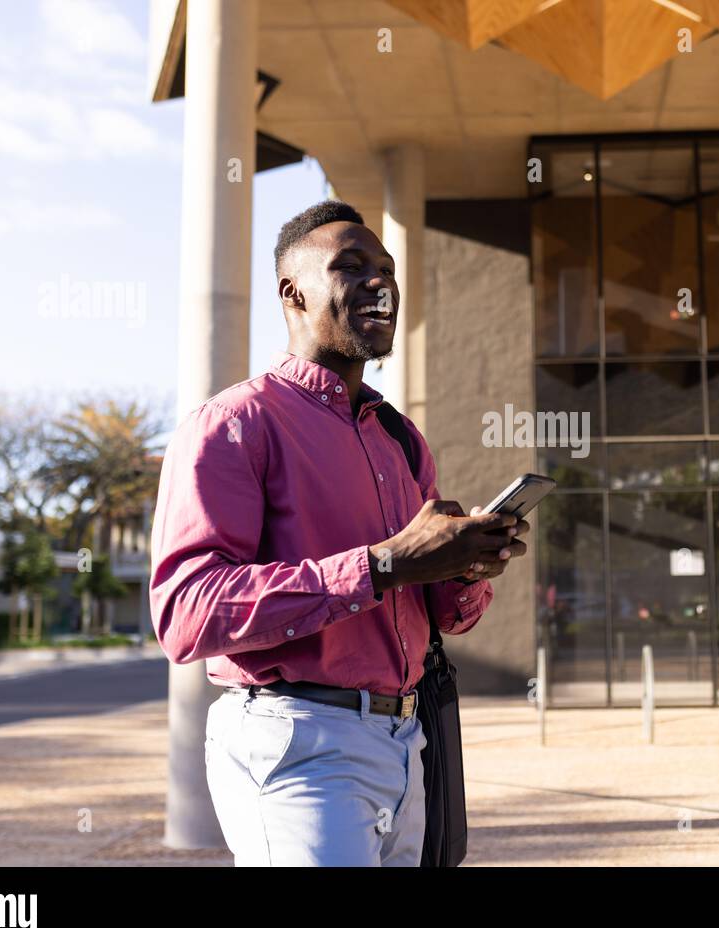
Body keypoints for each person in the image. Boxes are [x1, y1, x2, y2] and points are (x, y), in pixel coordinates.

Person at [149, 200, 527, 866]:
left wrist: (464, 567)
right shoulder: (235, 423)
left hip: (407, 743)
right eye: (351, 266)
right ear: (292, 293)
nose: (379, 281)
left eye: (386, 268)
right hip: (295, 742)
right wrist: (384, 563)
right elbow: (186, 612)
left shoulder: (403, 441)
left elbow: (437, 609)